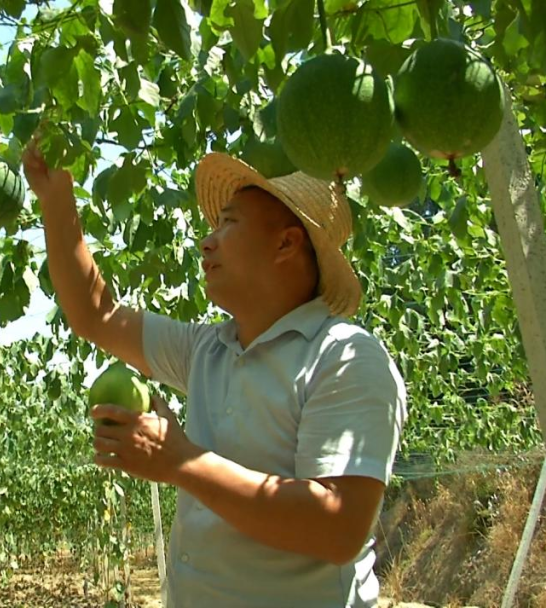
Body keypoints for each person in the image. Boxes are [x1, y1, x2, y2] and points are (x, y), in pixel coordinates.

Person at [22, 140, 408, 607]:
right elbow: (96, 315)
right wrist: (56, 197)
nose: (208, 240)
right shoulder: (208, 349)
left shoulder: (345, 358)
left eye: (229, 223)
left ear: (286, 242)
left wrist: (180, 461)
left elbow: (338, 528)